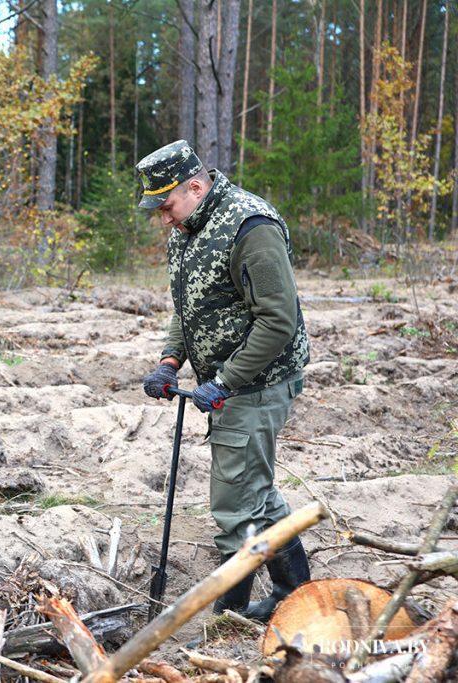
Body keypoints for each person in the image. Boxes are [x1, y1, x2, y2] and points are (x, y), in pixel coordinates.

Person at [136, 140, 311, 622]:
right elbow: (187, 306)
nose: (164, 219)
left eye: (167, 206)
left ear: (195, 187)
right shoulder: (187, 227)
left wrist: (226, 380)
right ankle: (294, 595)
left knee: (235, 505)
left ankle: (229, 618)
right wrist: (170, 361)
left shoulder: (251, 227)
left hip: (258, 381)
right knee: (255, 490)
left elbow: (278, 320)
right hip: (229, 383)